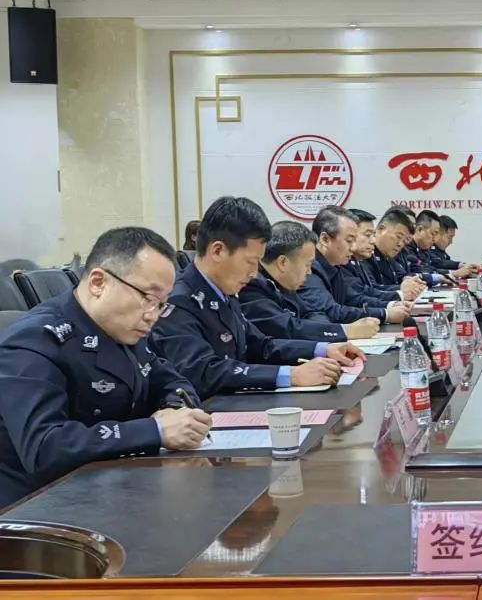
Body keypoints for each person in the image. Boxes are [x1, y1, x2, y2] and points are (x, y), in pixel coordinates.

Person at [0, 227, 212, 507]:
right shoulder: (35, 340)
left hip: (109, 487)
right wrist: (155, 430)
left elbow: (170, 379)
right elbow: (45, 446)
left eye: (161, 304)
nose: (153, 315)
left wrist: (174, 407)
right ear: (98, 283)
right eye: (148, 298)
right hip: (40, 507)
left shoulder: (122, 327)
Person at [150, 197, 363, 398]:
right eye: (250, 262)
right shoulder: (178, 301)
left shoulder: (224, 291)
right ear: (218, 251)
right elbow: (204, 372)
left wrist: (323, 349)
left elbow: (261, 346)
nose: (254, 273)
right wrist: (292, 375)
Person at [238, 220, 380, 343]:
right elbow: (287, 328)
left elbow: (311, 313)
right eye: (307, 265)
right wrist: (345, 330)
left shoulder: (283, 282)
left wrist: (327, 331)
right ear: (283, 263)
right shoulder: (252, 286)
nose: (309, 272)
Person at [298, 206, 412, 326]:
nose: (353, 248)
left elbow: (352, 299)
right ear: (325, 239)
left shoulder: (335, 266)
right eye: (349, 241)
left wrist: (391, 306)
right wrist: (385, 314)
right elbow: (332, 312)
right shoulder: (310, 270)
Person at [344, 208, 424, 305]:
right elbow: (358, 297)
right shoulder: (348, 262)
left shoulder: (360, 259)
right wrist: (397, 297)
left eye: (404, 240)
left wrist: (407, 283)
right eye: (368, 235)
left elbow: (370, 290)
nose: (373, 240)